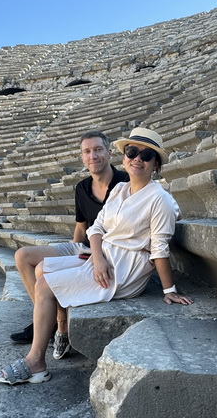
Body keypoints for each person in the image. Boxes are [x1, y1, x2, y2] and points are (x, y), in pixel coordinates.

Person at [0, 127, 192, 385]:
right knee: (41, 269)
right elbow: (96, 228)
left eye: (146, 155)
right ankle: (57, 332)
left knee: (44, 283)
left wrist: (169, 290)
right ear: (123, 157)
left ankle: (35, 362)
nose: (137, 159)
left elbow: (159, 250)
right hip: (103, 257)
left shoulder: (160, 200)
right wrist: (97, 257)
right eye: (132, 152)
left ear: (156, 165)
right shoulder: (121, 189)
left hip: (123, 270)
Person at [10, 130, 129, 359]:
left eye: (97, 150)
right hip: (83, 246)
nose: (92, 155)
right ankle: (48, 321)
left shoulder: (124, 182)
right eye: (87, 151)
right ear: (82, 157)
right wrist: (70, 256)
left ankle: (53, 324)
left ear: (109, 152)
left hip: (107, 251)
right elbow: (80, 227)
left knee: (43, 270)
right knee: (22, 256)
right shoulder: (82, 188)